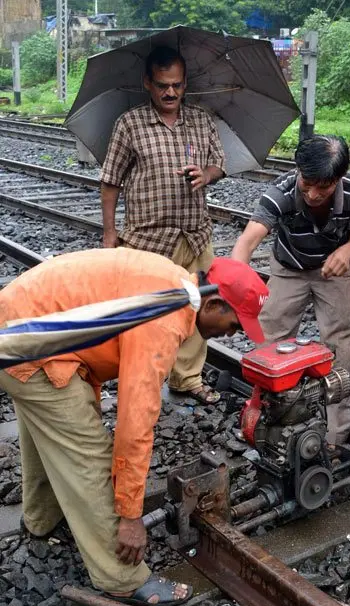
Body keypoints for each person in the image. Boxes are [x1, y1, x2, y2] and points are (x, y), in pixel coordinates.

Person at [0, 248, 268, 606]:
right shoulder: (164, 320)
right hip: (29, 345)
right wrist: (129, 516)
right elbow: (135, 423)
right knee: (88, 453)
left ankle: (41, 519)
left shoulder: (175, 283)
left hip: (21, 326)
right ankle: (120, 577)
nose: (233, 335)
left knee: (52, 430)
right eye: (235, 324)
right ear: (215, 303)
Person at [100, 45, 226, 405]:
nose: (170, 92)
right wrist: (110, 235)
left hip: (195, 233)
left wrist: (207, 174)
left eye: (177, 85)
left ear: (185, 83)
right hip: (148, 241)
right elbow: (110, 182)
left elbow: (219, 162)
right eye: (162, 85)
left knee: (199, 307)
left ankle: (187, 378)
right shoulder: (130, 124)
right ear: (147, 83)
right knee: (147, 317)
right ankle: (142, 383)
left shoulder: (201, 120)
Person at [231, 135, 350, 448]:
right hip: (289, 267)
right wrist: (237, 278)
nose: (312, 194)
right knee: (269, 342)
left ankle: (334, 437)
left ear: (339, 178)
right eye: (306, 183)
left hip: (334, 269)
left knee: (339, 347)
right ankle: (267, 422)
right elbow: (248, 240)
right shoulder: (280, 193)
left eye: (324, 187)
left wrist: (348, 250)